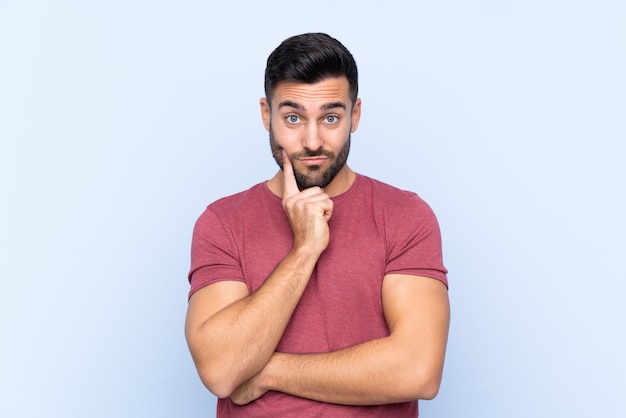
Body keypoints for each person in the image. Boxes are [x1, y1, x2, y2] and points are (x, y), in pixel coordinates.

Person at [185, 32, 450, 417]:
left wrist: (269, 371)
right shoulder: (223, 222)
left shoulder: (405, 215)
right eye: (293, 118)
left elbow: (417, 370)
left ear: (354, 115)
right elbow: (222, 370)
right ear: (266, 115)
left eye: (330, 117)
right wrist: (305, 248)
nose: (312, 141)